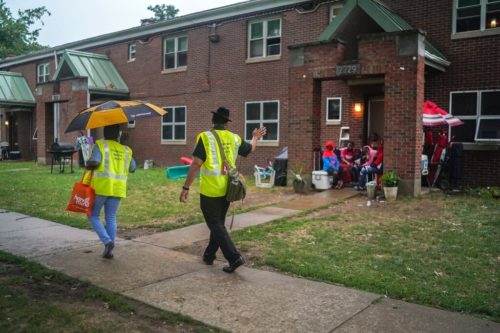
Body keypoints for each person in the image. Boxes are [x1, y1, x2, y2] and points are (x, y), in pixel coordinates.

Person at [179, 107, 266, 273]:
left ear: (213, 120)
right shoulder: (234, 138)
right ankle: (209, 255)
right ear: (227, 123)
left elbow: (196, 164)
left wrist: (186, 187)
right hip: (228, 188)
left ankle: (234, 257)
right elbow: (251, 149)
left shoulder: (205, 137)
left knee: (215, 224)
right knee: (217, 223)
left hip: (210, 190)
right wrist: (255, 137)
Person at [85, 124, 136, 259]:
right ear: (118, 134)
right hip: (118, 188)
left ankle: (107, 242)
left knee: (93, 215)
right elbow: (133, 168)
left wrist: (88, 162)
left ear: (104, 133)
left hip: (102, 187)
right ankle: (110, 251)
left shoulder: (100, 145)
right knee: (111, 217)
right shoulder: (126, 150)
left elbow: (95, 162)